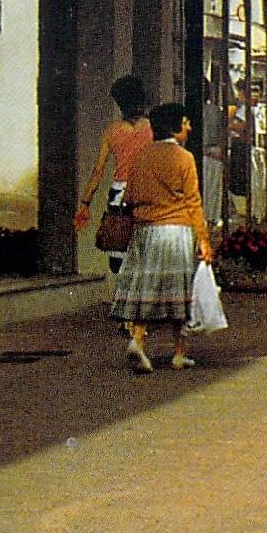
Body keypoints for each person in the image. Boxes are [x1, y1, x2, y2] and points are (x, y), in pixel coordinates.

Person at [109, 101, 212, 373]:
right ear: (176, 128)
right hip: (177, 231)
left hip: (146, 232)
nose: (189, 128)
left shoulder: (140, 157)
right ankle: (179, 353)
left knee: (147, 291)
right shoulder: (184, 158)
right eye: (186, 123)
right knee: (180, 293)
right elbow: (193, 201)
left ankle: (138, 341)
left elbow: (130, 197)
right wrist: (203, 239)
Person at [74, 75, 153, 273]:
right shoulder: (153, 128)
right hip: (147, 191)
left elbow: (98, 172)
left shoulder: (112, 131)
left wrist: (85, 204)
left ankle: (122, 289)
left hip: (120, 193)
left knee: (118, 248)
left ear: (120, 103)